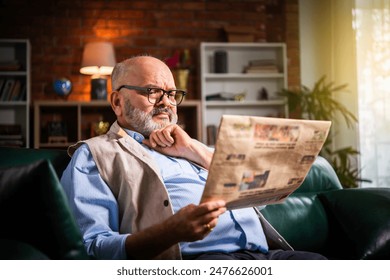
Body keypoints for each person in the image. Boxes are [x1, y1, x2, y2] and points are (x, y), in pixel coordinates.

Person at [60, 55, 326, 260]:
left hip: (268, 256)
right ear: (117, 102)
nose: (166, 102)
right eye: (153, 91)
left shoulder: (191, 147)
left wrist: (194, 151)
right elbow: (91, 248)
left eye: (172, 94)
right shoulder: (94, 154)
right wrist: (170, 232)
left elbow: (263, 199)